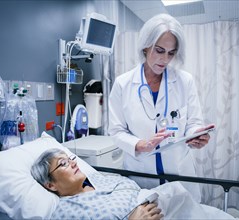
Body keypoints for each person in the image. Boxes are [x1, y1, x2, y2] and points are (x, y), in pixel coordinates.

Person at [108, 13, 213, 201]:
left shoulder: (184, 81)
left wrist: (197, 134)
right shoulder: (123, 84)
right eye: (159, 50)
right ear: (146, 46)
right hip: (141, 176)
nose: (164, 59)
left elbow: (193, 122)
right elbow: (116, 131)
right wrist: (139, 144)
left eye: (171, 53)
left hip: (179, 174)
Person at [31, 148, 163, 220]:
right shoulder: (64, 213)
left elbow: (128, 184)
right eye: (63, 163)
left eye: (70, 159)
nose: (74, 163)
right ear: (51, 185)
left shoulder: (97, 179)